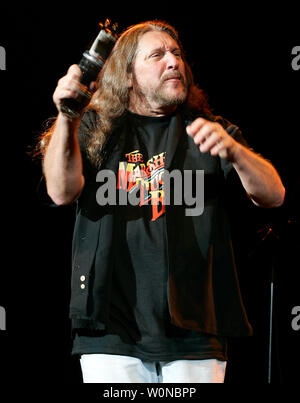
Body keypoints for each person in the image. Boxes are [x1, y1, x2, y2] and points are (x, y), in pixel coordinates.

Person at [39, 20, 285, 383]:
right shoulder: (93, 129)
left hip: (195, 331)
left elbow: (273, 195)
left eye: (176, 54)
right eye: (157, 55)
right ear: (127, 77)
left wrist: (235, 152)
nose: (173, 62)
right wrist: (67, 116)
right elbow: (61, 191)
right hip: (110, 330)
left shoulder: (209, 130)